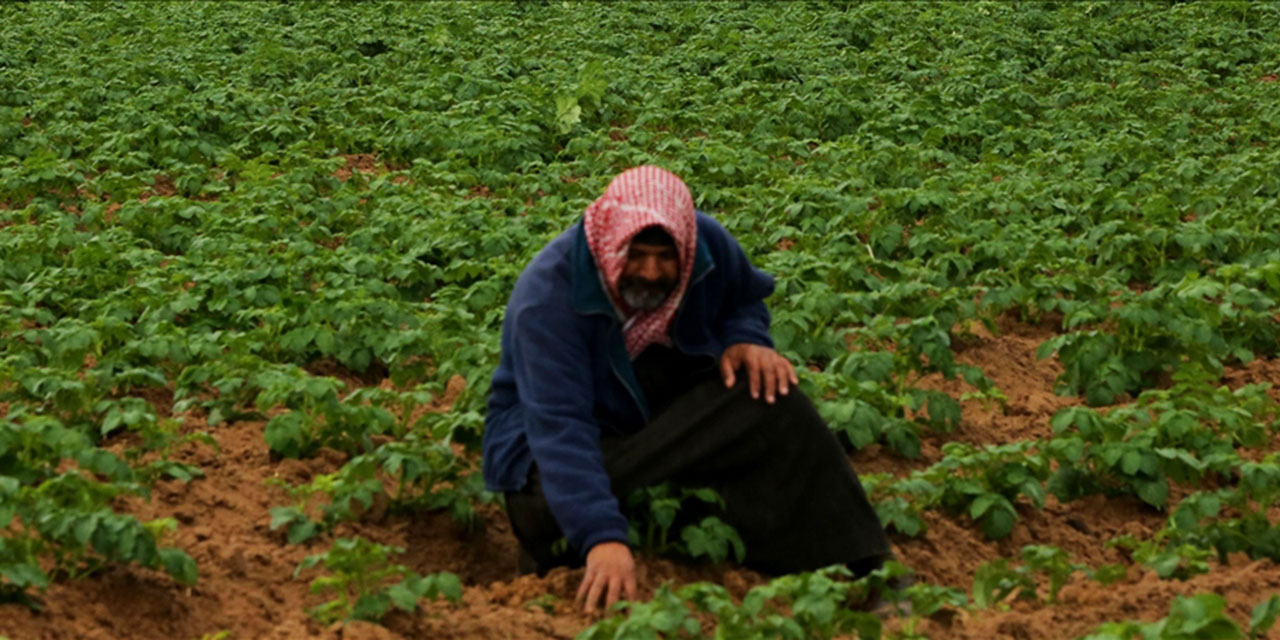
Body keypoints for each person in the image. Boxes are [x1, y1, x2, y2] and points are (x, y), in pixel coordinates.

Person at [482, 166, 892, 613]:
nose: (652, 272)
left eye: (666, 257)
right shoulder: (548, 299)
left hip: (652, 416)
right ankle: (602, 534)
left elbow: (742, 298)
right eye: (636, 255)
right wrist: (599, 536)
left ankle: (864, 567)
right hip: (561, 439)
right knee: (543, 504)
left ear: (685, 243)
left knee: (773, 399)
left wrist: (747, 339)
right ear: (611, 242)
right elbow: (560, 429)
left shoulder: (705, 245)